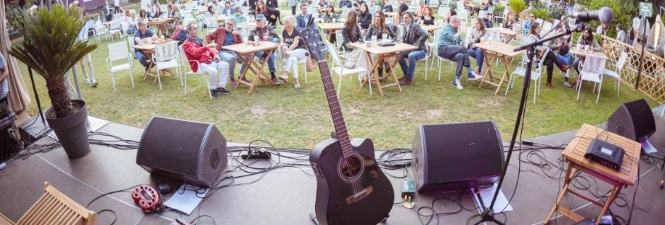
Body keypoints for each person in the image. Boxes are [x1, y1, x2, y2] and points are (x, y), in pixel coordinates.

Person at [182, 23, 232, 97]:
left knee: (225, 65)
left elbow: (209, 50)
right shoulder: (187, 43)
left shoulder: (198, 39)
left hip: (208, 62)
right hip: (199, 64)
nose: (197, 30)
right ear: (189, 31)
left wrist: (215, 55)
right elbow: (195, 53)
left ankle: (220, 87)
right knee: (213, 70)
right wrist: (208, 46)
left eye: (197, 28)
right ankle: (212, 89)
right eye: (194, 28)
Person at [437, 16, 481, 90]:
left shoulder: (455, 30)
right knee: (463, 49)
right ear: (454, 22)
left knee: (461, 56)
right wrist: (459, 32)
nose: (460, 24)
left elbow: (460, 41)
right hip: (443, 49)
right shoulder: (447, 27)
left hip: (451, 51)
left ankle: (456, 80)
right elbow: (452, 38)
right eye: (459, 22)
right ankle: (470, 72)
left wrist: (463, 42)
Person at [524, 22, 569, 89]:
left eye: (540, 27)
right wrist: (544, 48)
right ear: (534, 29)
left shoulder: (538, 36)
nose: (540, 29)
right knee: (549, 52)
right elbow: (532, 47)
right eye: (538, 28)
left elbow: (542, 45)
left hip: (541, 55)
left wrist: (545, 48)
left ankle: (549, 82)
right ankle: (561, 66)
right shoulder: (531, 37)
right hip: (535, 56)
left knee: (550, 62)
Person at [206, 18, 245, 85]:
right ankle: (231, 78)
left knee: (247, 56)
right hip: (222, 52)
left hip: (233, 51)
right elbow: (208, 36)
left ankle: (242, 74)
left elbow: (240, 44)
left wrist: (238, 35)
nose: (228, 25)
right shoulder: (220, 30)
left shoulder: (235, 32)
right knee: (231, 58)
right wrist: (212, 46)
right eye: (227, 24)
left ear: (234, 26)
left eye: (230, 24)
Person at [248, 14, 281, 85]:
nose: (258, 22)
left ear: (264, 21)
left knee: (274, 41)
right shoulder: (254, 30)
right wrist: (253, 42)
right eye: (257, 20)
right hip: (259, 50)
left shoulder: (269, 28)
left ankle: (265, 54)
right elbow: (249, 40)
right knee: (270, 54)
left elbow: (278, 39)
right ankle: (273, 76)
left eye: (259, 20)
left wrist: (269, 38)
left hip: (268, 48)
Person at [280, 15, 312, 89]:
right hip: (292, 53)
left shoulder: (296, 32)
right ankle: (296, 81)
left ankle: (286, 73)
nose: (283, 23)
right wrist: (284, 45)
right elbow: (282, 41)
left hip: (302, 51)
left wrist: (287, 51)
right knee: (293, 59)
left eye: (284, 21)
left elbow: (295, 44)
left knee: (289, 54)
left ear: (289, 23)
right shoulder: (284, 31)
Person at [397, 12, 427, 85]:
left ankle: (409, 79)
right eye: (403, 18)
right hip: (411, 50)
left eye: (406, 18)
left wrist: (417, 45)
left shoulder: (414, 26)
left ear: (411, 18)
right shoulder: (405, 26)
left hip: (421, 50)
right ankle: (407, 75)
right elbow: (407, 38)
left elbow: (425, 34)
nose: (404, 19)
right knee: (398, 54)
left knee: (411, 55)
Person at [340, 11, 371, 82]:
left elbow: (360, 39)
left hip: (357, 49)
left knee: (368, 52)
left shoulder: (356, 26)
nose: (358, 18)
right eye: (357, 17)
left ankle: (369, 74)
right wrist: (358, 45)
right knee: (363, 52)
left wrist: (363, 42)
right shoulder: (345, 28)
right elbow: (348, 44)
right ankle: (363, 76)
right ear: (353, 18)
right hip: (349, 52)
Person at [366, 11, 396, 78]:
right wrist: (373, 41)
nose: (377, 18)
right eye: (375, 16)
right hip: (375, 46)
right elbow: (367, 37)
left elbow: (394, 36)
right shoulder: (371, 26)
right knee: (382, 53)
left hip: (384, 46)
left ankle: (380, 73)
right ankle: (386, 64)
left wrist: (391, 41)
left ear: (382, 17)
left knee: (382, 53)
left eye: (378, 16)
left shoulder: (386, 26)